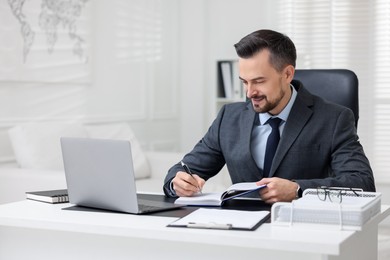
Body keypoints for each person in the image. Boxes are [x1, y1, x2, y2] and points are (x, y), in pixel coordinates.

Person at [163, 29, 375, 203]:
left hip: (303, 232)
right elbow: (184, 169)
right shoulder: (229, 117)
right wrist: (178, 182)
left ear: (287, 74)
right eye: (244, 82)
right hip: (240, 231)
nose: (249, 92)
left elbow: (362, 183)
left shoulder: (334, 119)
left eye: (259, 81)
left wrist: (298, 189)